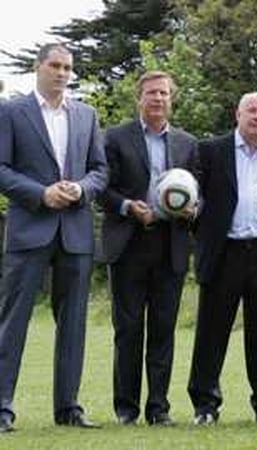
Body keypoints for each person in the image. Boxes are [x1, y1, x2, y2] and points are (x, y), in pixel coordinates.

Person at [0, 43, 108, 432]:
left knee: (74, 324)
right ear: (38, 67)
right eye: (55, 66)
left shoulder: (86, 114)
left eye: (67, 67)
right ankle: (2, 408)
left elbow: (100, 170)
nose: (62, 73)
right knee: (13, 321)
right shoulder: (12, 112)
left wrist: (81, 188)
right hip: (30, 230)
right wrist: (41, 193)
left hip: (75, 233)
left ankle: (68, 408)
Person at [98, 71, 198, 426]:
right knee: (127, 330)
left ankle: (159, 408)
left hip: (171, 245)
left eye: (164, 93)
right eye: (152, 93)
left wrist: (193, 209)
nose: (158, 98)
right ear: (139, 97)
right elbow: (102, 188)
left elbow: (199, 192)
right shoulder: (115, 137)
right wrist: (128, 207)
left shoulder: (187, 143)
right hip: (129, 244)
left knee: (163, 329)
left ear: (172, 99)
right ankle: (126, 409)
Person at [187, 92, 257, 425]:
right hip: (223, 253)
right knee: (211, 333)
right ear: (238, 114)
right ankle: (205, 406)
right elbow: (194, 201)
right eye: (251, 111)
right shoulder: (210, 151)